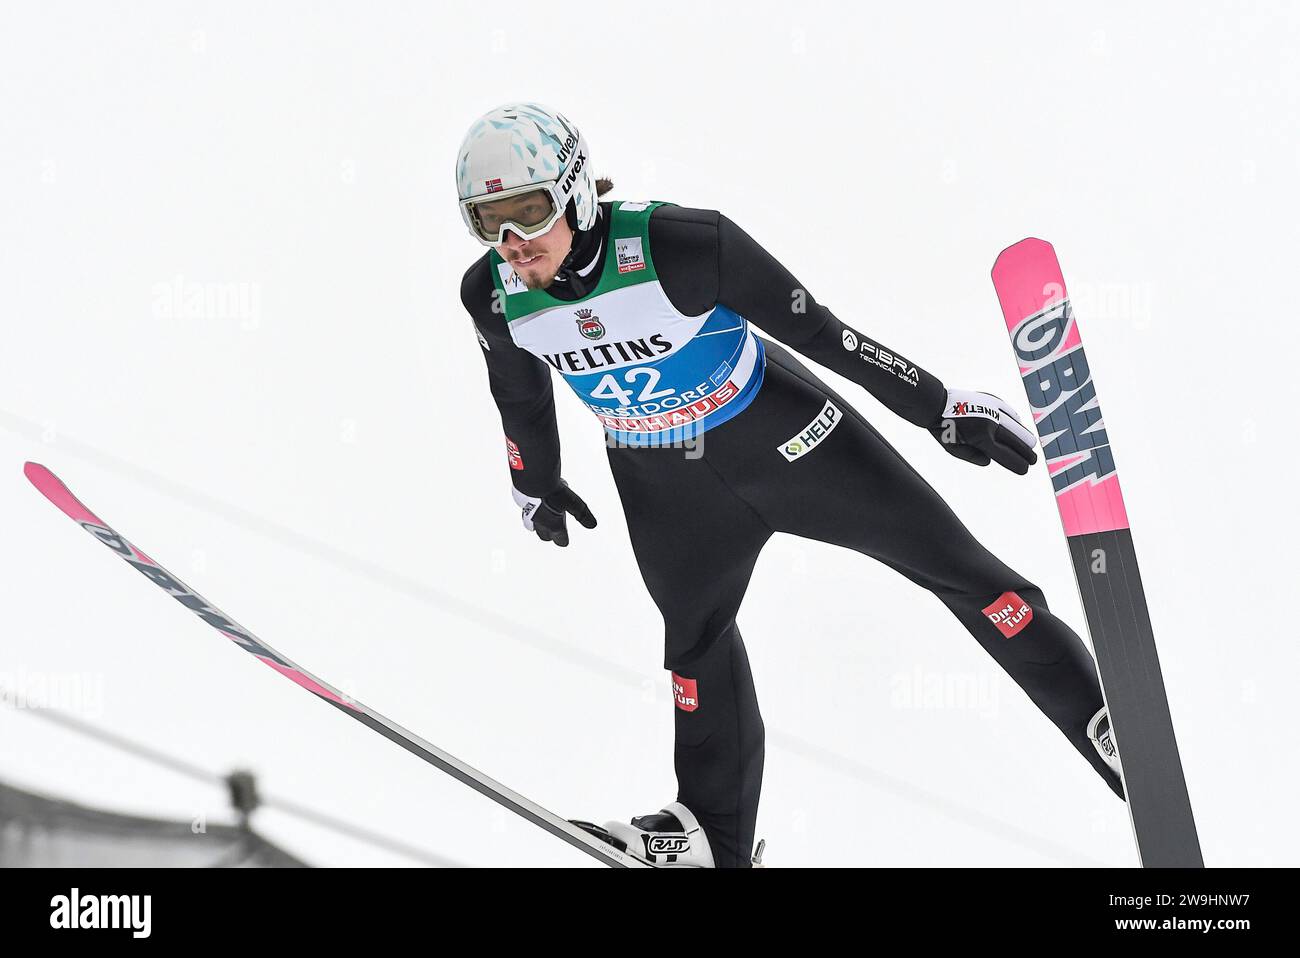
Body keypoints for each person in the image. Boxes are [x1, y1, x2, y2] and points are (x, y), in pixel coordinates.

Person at [456, 102, 1123, 868]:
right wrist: (533, 480)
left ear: (573, 191)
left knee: (958, 570)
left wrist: (937, 407)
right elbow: (518, 393)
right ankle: (712, 833)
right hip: (666, 483)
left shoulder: (677, 243)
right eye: (487, 223)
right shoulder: (495, 296)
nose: (513, 245)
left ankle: (1103, 723)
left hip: (789, 439)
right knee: (694, 648)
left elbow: (821, 332)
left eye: (527, 214)